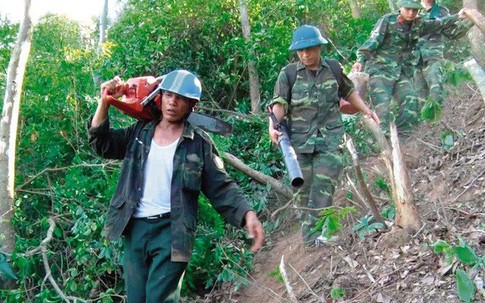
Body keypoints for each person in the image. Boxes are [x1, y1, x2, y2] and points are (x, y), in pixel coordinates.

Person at [87, 69, 264, 303]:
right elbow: (101, 143)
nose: (172, 102)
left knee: (160, 299)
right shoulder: (140, 132)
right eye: (169, 95)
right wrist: (106, 101)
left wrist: (247, 214)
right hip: (134, 227)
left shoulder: (198, 144)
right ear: (160, 98)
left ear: (191, 105)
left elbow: (221, 185)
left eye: (180, 98)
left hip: (173, 231)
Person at [268, 25, 379, 247]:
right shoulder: (288, 74)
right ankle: (311, 238)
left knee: (324, 185)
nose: (305, 54)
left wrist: (366, 110)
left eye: (309, 49)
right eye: (300, 51)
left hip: (330, 138)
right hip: (299, 143)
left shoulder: (334, 69)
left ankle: (318, 237)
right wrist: (273, 124)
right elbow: (279, 103)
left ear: (319, 47)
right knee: (302, 190)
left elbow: (348, 92)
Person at [352, 0, 473, 132]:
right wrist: (360, 60)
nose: (411, 13)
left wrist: (458, 16)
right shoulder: (388, 20)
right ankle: (384, 145)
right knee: (382, 110)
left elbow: (438, 24)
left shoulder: (418, 24)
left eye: (414, 10)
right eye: (407, 9)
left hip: (399, 72)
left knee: (411, 100)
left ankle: (403, 137)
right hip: (380, 71)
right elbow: (373, 41)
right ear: (400, 8)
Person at [415, 0, 474, 106]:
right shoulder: (410, 9)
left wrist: (471, 19)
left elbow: (452, 33)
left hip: (433, 56)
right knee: (418, 95)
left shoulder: (440, 11)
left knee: (436, 89)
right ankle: (425, 120)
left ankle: (437, 116)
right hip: (413, 59)